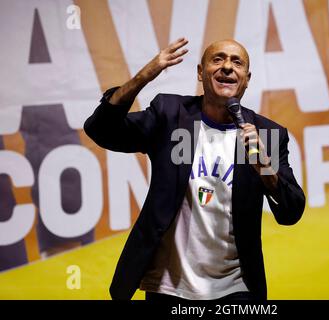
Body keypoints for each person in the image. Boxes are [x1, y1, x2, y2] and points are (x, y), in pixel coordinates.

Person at [84, 38, 306, 301]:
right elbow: (100, 130)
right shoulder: (170, 114)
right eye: (217, 59)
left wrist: (266, 171)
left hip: (235, 289)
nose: (227, 67)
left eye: (237, 62)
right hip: (168, 287)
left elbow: (291, 211)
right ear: (201, 73)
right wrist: (142, 78)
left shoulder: (267, 134)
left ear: (246, 78)